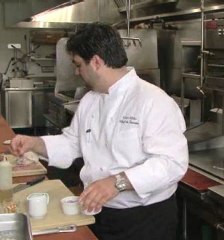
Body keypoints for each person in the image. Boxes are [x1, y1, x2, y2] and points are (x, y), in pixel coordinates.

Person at [10, 23, 188, 240]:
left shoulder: (153, 101)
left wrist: (117, 182)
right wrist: (35, 143)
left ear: (96, 62)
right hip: (98, 211)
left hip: (144, 220)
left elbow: (172, 164)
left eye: (78, 65)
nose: (76, 72)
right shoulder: (90, 100)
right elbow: (73, 142)